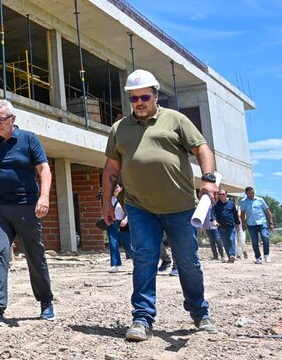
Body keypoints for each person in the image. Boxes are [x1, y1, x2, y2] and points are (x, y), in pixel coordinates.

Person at [100, 69, 219, 342]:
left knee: (188, 262)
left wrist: (209, 179)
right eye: (134, 98)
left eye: (144, 97)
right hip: (140, 208)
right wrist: (107, 201)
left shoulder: (175, 120)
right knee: (144, 259)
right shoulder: (119, 128)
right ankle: (142, 318)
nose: (139, 102)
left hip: (180, 207)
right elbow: (111, 167)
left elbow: (202, 149)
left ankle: (200, 313)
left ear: (155, 96)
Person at [0, 99, 55, 326]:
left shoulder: (28, 139)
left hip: (27, 207)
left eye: (0, 119)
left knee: (35, 256)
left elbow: (44, 169)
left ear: (13, 119)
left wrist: (43, 197)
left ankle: (46, 301)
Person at [239, 187, 274, 264]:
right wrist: (243, 224)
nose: (251, 195)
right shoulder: (243, 201)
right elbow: (242, 214)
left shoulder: (260, 200)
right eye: (249, 193)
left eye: (252, 193)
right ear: (246, 193)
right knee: (255, 241)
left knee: (265, 238)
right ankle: (258, 257)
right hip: (251, 224)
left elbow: (267, 211)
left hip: (262, 223)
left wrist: (271, 222)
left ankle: (266, 255)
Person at [107, 183, 133, 273]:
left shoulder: (125, 199)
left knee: (128, 245)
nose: (115, 189)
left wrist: (125, 220)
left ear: (121, 188)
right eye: (113, 187)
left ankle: (138, 262)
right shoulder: (109, 199)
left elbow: (131, 211)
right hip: (112, 223)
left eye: (117, 187)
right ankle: (115, 265)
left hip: (123, 223)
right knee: (113, 244)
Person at [213, 189, 240, 262]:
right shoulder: (216, 205)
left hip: (231, 225)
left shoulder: (231, 204)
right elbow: (213, 214)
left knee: (231, 239)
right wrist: (215, 221)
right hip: (221, 226)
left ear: (226, 195)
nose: (221, 195)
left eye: (223, 194)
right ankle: (229, 257)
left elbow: (235, 214)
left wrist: (237, 223)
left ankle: (232, 255)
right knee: (225, 242)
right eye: (220, 194)